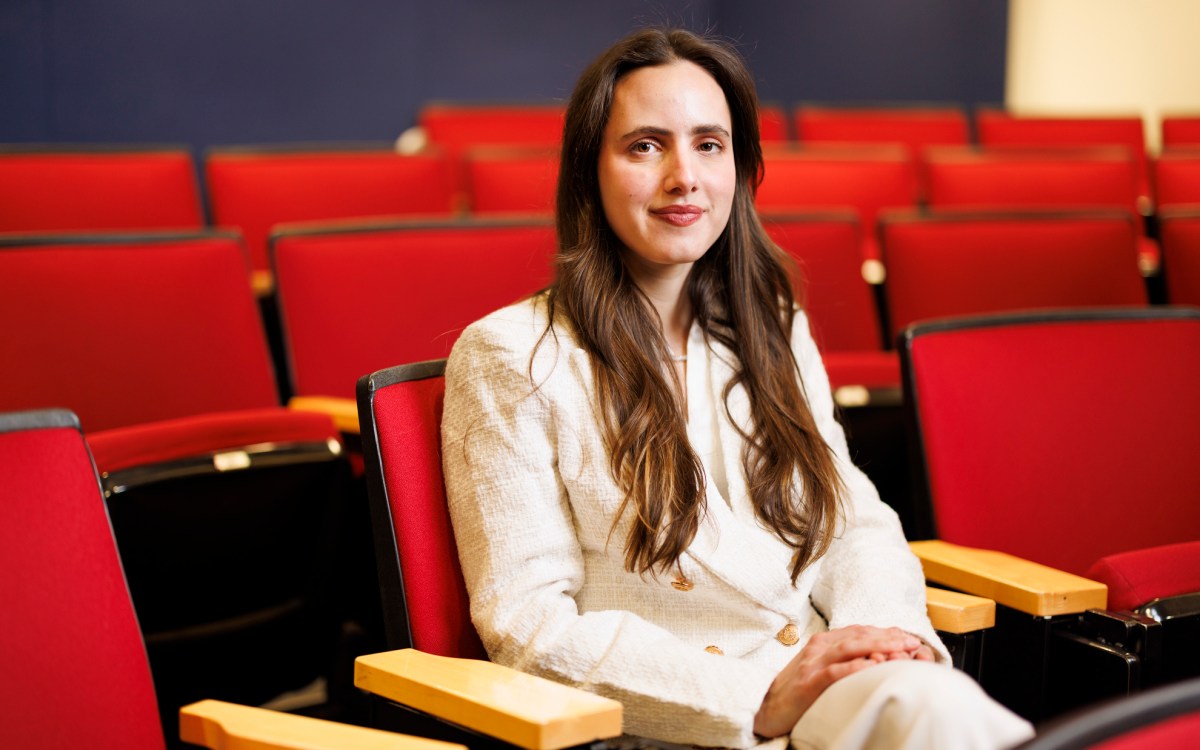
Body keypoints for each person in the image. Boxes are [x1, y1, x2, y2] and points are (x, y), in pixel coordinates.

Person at [441, 27, 1034, 750]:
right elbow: (530, 628)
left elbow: (851, 520)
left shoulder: (771, 326)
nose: (684, 176)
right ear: (588, 172)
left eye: (709, 144)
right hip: (677, 721)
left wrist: (880, 638)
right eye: (645, 146)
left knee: (933, 706)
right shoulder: (512, 356)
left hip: (826, 691)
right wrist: (758, 696)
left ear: (741, 169)